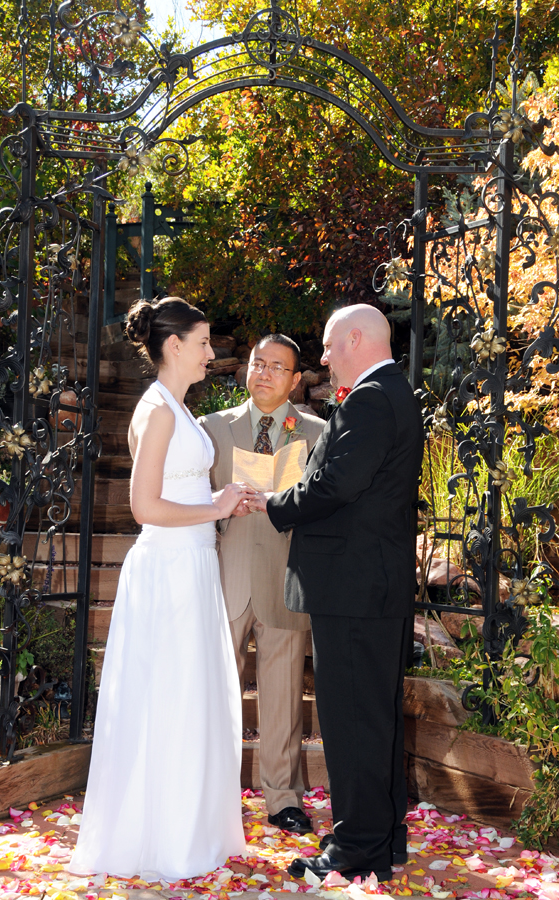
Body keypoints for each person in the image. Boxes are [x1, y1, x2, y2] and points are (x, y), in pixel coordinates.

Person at [69, 297, 252, 881]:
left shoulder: (177, 406)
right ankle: (164, 840)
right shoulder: (162, 411)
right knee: (168, 699)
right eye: (202, 342)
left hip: (191, 567)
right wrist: (216, 505)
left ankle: (189, 829)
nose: (210, 352)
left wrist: (222, 505)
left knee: (189, 698)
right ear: (173, 346)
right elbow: (143, 506)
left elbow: (184, 494)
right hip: (169, 573)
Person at [248, 305, 424, 882]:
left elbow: (337, 483)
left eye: (327, 346)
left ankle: (353, 849)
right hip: (370, 586)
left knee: (352, 721)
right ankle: (384, 839)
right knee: (375, 719)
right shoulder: (395, 393)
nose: (322, 358)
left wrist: (274, 504)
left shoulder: (372, 399)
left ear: (355, 339)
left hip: (352, 588)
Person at [199, 335, 324, 835]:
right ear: (245, 371)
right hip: (224, 574)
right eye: (258, 363)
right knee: (213, 692)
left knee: (284, 696)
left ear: (295, 380)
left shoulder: (317, 431)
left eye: (278, 366)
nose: (265, 372)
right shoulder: (212, 429)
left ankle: (283, 798)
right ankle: (209, 791)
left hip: (287, 578)